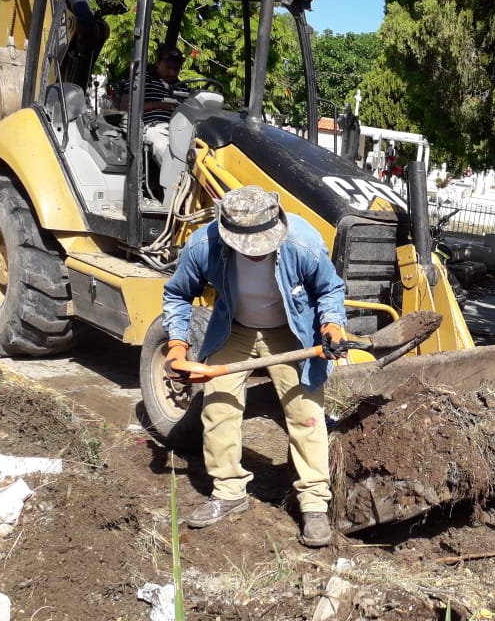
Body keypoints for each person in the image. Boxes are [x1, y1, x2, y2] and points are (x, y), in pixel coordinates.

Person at [161, 185, 349, 547]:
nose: (257, 254)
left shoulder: (303, 242)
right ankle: (229, 492)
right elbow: (178, 293)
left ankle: (313, 504)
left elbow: (329, 289)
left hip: (290, 331)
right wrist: (176, 344)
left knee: (306, 414)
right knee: (217, 407)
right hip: (235, 328)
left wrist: (331, 325)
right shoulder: (205, 245)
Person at [119, 43, 189, 166]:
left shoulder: (183, 88)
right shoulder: (141, 80)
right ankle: (176, 180)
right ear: (158, 63)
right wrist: (157, 105)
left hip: (183, 130)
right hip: (153, 127)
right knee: (162, 146)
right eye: (168, 68)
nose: (172, 73)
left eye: (176, 69)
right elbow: (125, 107)